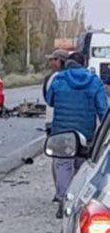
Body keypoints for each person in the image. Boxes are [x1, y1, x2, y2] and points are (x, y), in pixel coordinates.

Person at [47, 52, 109, 218]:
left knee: (63, 166)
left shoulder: (59, 79)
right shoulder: (94, 81)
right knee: (81, 168)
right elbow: (103, 108)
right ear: (84, 63)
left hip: (61, 132)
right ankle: (76, 203)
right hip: (85, 133)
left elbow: (50, 100)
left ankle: (62, 200)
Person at [43, 49, 69, 202]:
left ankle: (60, 192)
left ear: (60, 61)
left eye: (53, 60)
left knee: (58, 158)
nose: (50, 63)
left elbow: (49, 99)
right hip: (75, 123)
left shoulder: (54, 78)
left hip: (54, 122)